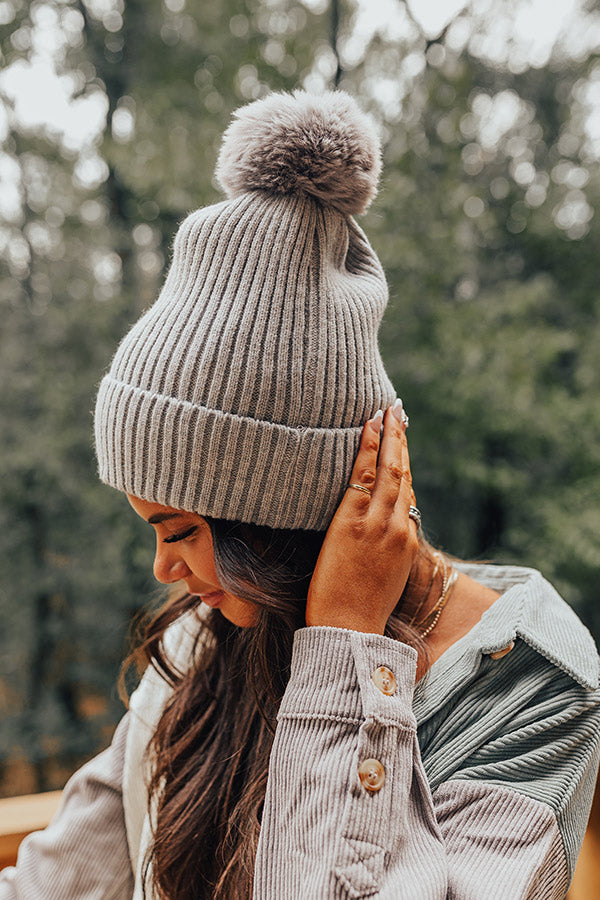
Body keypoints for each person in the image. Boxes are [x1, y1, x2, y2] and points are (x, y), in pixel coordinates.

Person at [1, 89, 599, 900]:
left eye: (179, 530)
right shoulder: (211, 631)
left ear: (277, 512)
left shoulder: (531, 690)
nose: (164, 571)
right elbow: (62, 877)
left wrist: (344, 648)